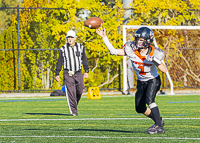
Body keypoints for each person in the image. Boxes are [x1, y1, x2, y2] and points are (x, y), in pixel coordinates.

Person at [96, 27, 167, 134]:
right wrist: (104, 37)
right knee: (140, 108)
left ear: (148, 40)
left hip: (153, 80)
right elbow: (113, 51)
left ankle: (159, 127)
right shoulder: (132, 50)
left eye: (141, 40)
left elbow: (164, 70)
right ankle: (158, 121)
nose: (138, 42)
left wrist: (154, 60)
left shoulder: (155, 52)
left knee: (150, 100)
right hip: (141, 81)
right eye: (138, 39)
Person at [55, 30, 89, 116]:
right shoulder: (63, 49)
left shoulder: (80, 47)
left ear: (75, 38)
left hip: (78, 72)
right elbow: (60, 61)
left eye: (71, 37)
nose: (69, 39)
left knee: (80, 90)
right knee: (71, 92)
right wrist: (57, 73)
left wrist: (86, 71)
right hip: (68, 73)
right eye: (68, 37)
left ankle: (74, 105)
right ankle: (74, 111)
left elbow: (84, 59)